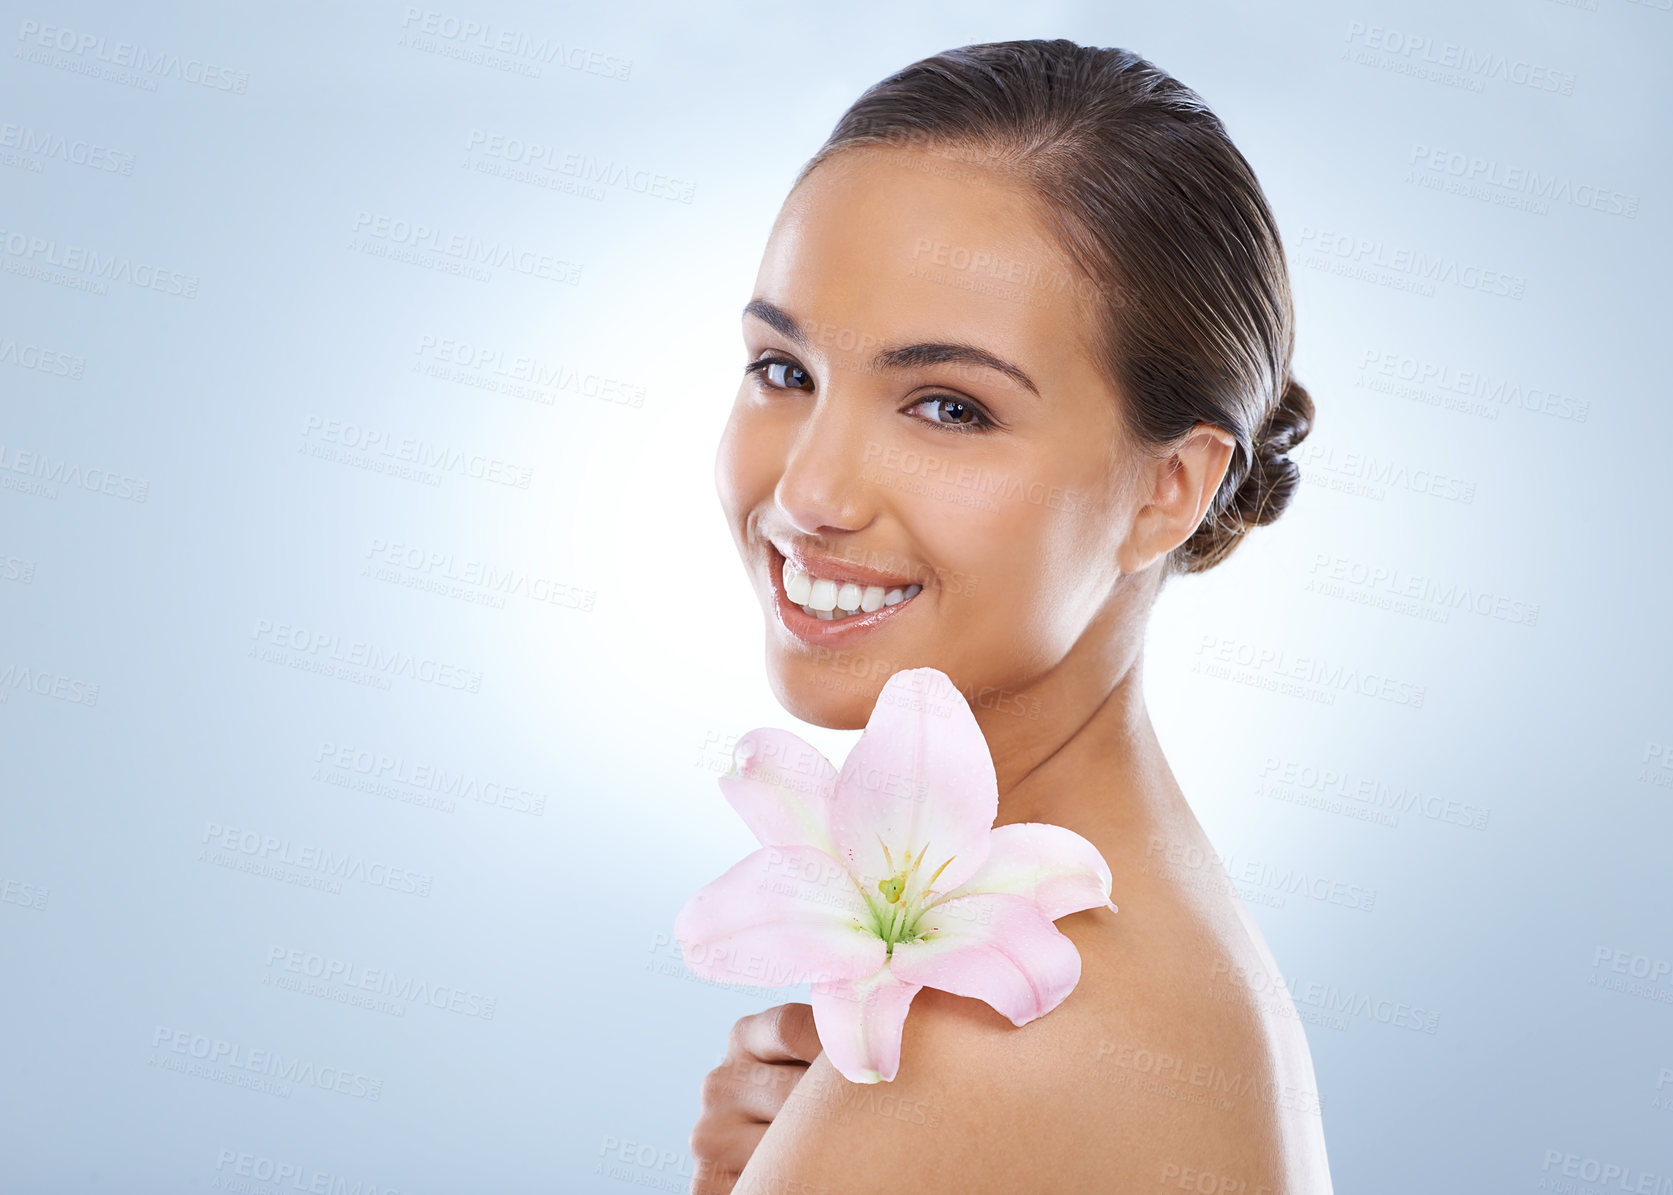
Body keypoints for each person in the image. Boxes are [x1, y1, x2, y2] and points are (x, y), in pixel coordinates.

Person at [700, 38, 1330, 1194]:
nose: (807, 496)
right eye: (783, 370)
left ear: (1169, 489)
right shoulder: (1161, 945)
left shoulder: (1000, 1034)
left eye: (947, 405)